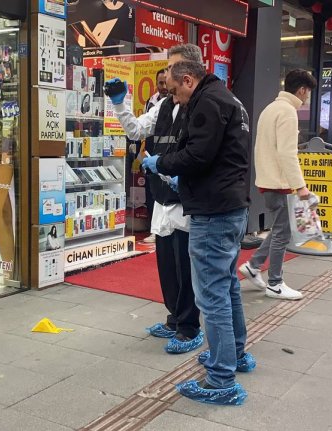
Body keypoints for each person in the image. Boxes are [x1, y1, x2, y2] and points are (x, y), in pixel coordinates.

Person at [141, 52, 253, 405]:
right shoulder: (226, 98)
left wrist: (164, 164)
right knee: (228, 285)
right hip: (229, 204)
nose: (173, 98)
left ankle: (221, 378)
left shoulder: (207, 102)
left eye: (174, 91)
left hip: (213, 210)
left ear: (188, 80)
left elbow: (198, 155)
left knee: (212, 294)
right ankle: (234, 355)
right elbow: (216, 156)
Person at [106, 46, 203, 355]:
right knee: (167, 266)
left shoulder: (201, 106)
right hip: (161, 199)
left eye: (172, 68)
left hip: (187, 201)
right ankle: (174, 319)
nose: (166, 76)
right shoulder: (162, 106)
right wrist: (119, 105)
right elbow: (135, 130)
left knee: (186, 268)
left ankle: (190, 328)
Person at [239, 70, 317, 301]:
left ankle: (254, 266)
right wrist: (301, 187)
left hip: (268, 180)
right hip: (279, 182)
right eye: (308, 92)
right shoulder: (288, 112)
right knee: (283, 232)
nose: (308, 97)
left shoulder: (270, 108)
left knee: (279, 229)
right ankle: (275, 282)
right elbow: (287, 153)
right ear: (302, 89)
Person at [142, 68, 170, 244]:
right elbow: (142, 128)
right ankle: (154, 229)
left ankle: (164, 229)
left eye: (166, 82)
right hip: (151, 151)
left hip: (167, 154)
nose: (164, 86)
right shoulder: (150, 102)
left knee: (166, 190)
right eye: (160, 83)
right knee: (152, 192)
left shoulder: (177, 102)